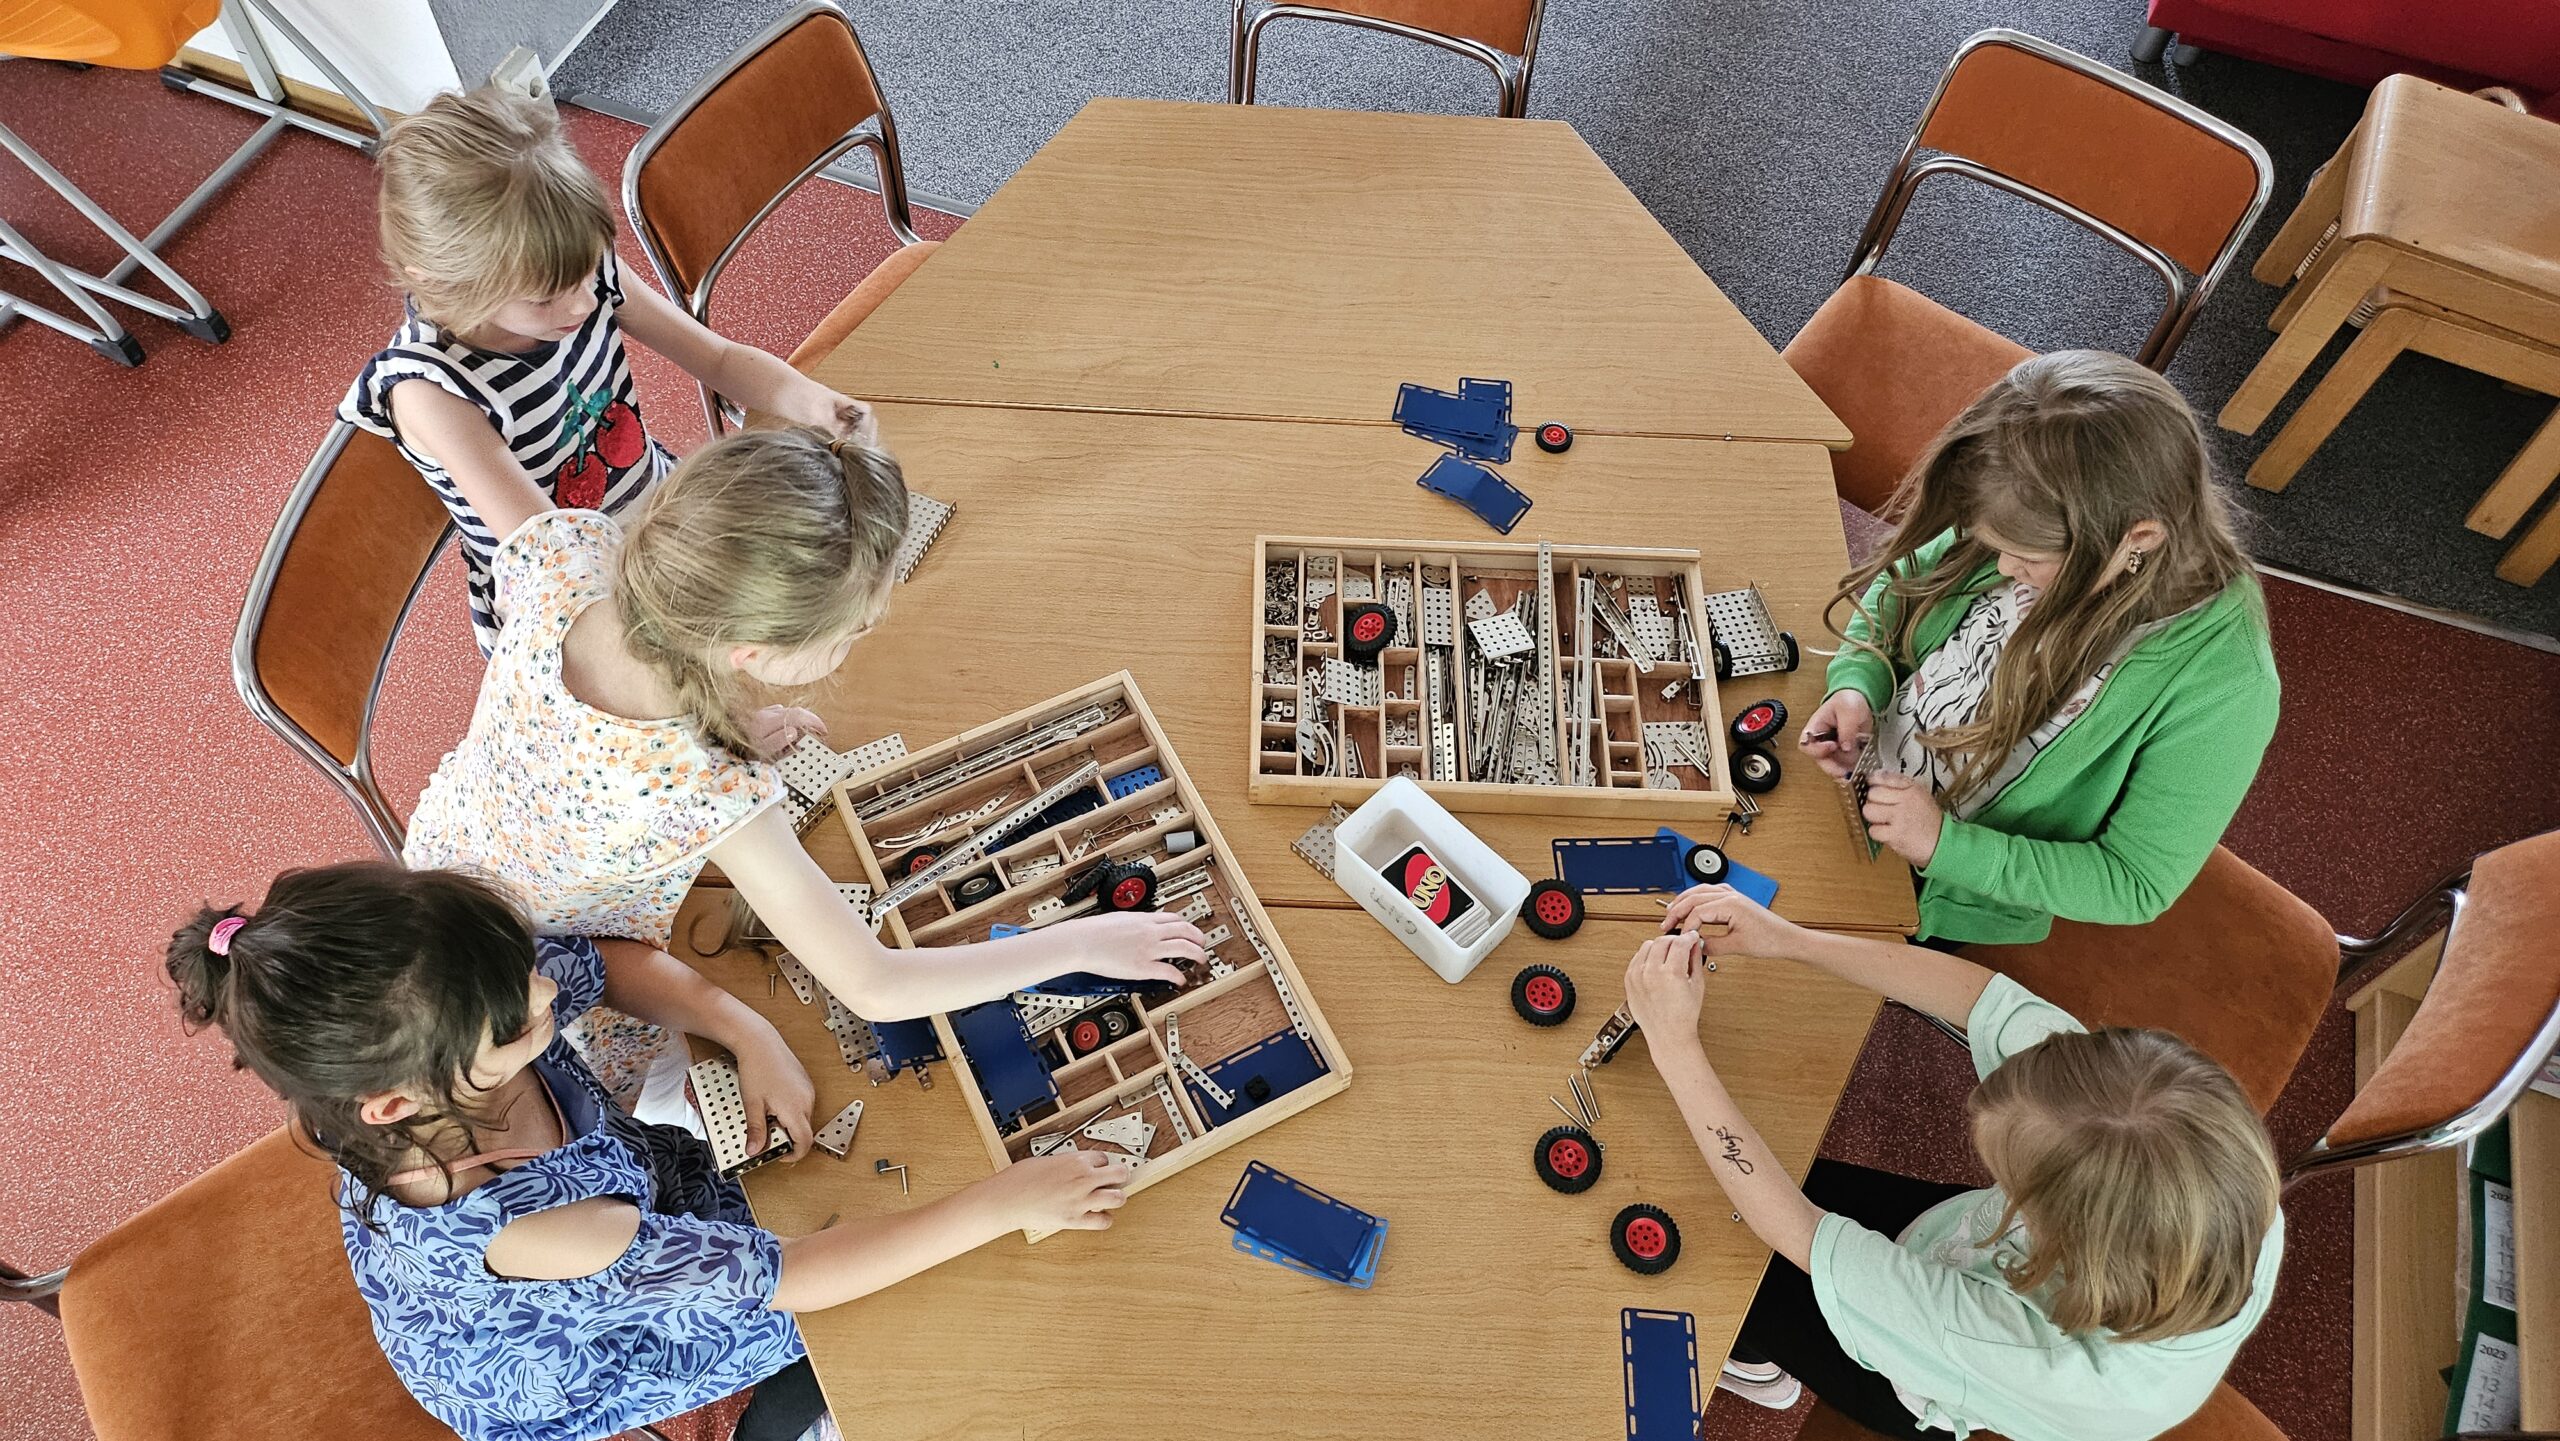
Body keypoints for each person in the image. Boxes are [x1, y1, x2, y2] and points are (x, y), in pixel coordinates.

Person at [167, 863, 1136, 1441]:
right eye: (516, 1017)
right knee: (940, 1323)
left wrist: (745, 1029)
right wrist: (1001, 1201)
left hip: (595, 1230)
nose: (545, 995)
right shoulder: (555, 1231)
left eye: (521, 968)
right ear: (392, 1103)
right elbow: (794, 1275)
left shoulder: (450, 1016)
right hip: (565, 1358)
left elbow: (605, 964)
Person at [400, 424, 1202, 1106]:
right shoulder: (706, 788)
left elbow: (472, 450)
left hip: (439, 866)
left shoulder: (575, 558)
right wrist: (1080, 944)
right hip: (533, 984)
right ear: (751, 653)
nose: (859, 640)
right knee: (666, 1103)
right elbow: (875, 983)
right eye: (855, 631)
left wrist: (729, 724)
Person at [1632, 885, 2284, 1441]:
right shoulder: (2185, 1150)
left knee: (1723, 1255)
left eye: (2006, 1172)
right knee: (1793, 1185)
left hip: (1914, 1374)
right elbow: (1984, 1001)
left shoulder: (2013, 1351)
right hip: (1956, 1243)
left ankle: (1762, 1363)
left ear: (2054, 1226)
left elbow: (1799, 1229)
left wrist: (1675, 1046)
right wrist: (1789, 939)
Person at [339, 84, 881, 653]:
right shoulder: (433, 393)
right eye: (545, 298)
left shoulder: (577, 269)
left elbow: (717, 358)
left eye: (584, 276)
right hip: (574, 601)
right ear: (439, 280)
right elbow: (554, 553)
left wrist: (816, 403)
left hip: (658, 518)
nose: (581, 304)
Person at [1798, 350, 2279, 944]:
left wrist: (1944, 844)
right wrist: (1857, 685)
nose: (2003, 568)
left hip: (1934, 885)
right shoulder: (2026, 504)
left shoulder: (2227, 687)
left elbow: (2135, 883)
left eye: (2026, 558)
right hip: (1851, 782)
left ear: (2140, 537)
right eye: (1991, 544)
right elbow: (1901, 590)